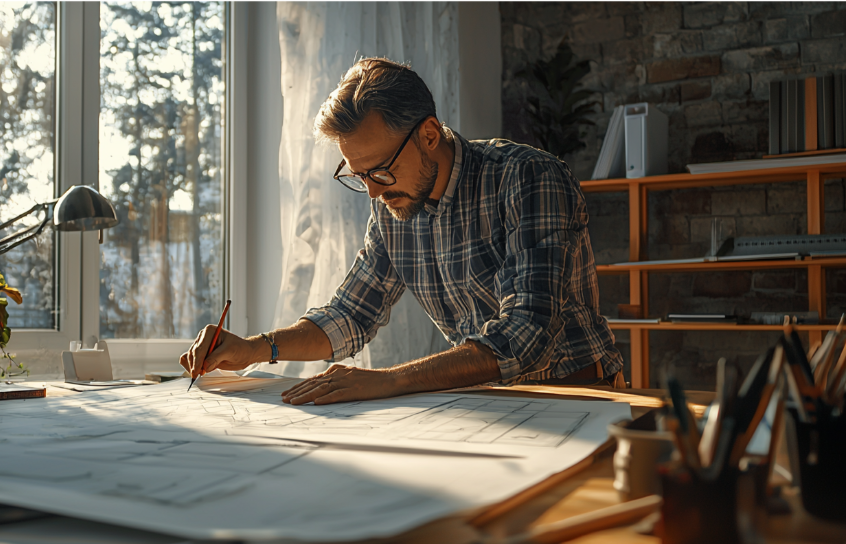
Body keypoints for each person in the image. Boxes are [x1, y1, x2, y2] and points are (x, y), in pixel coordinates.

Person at [180, 57, 622, 405]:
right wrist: (254, 348)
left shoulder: (528, 177)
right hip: (487, 403)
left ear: (429, 135)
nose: (372, 192)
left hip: (579, 395)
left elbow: (526, 336)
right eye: (358, 175)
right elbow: (349, 316)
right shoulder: (394, 208)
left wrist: (390, 380)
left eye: (381, 172)